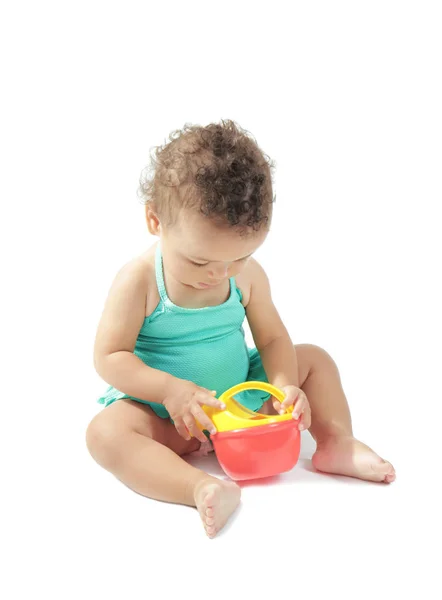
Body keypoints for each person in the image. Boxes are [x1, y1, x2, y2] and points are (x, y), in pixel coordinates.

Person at [86, 120, 395, 538]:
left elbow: (271, 338)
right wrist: (168, 391)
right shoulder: (139, 281)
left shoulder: (246, 277)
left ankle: (336, 442)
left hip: (242, 404)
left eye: (239, 258)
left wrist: (285, 386)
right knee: (105, 433)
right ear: (155, 221)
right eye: (199, 263)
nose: (219, 275)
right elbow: (110, 357)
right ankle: (198, 486)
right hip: (169, 417)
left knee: (315, 359)